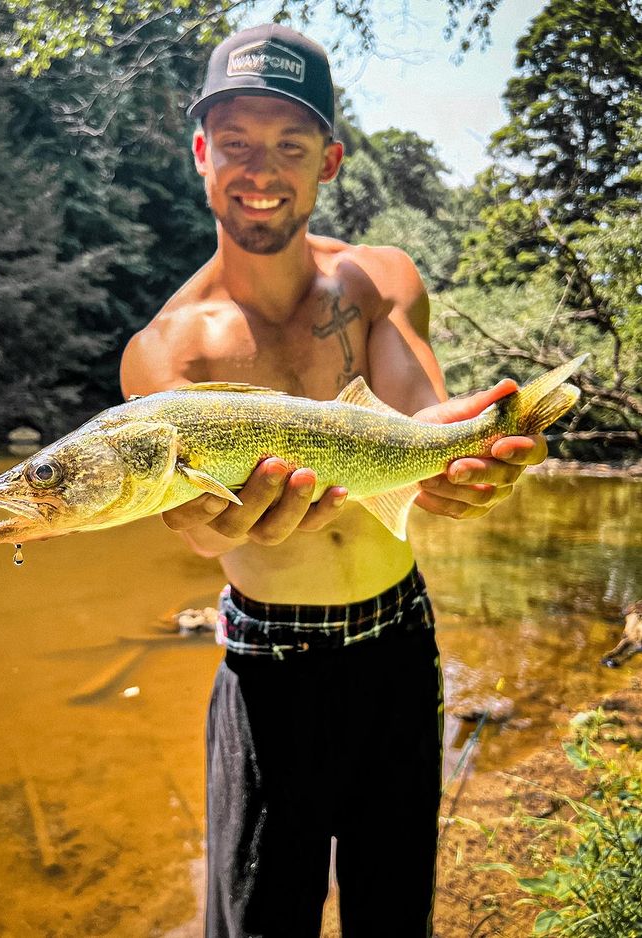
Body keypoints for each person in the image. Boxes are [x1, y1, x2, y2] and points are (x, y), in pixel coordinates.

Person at [120, 23, 547, 938]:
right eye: (234, 142)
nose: (259, 168)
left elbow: (414, 424)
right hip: (269, 667)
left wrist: (466, 452)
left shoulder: (381, 280)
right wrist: (221, 526)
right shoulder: (165, 351)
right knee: (259, 923)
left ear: (332, 161)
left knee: (394, 915)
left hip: (399, 647)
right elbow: (191, 525)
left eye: (289, 144)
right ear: (201, 153)